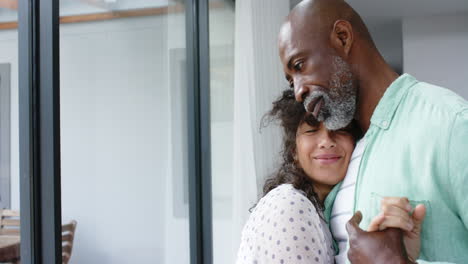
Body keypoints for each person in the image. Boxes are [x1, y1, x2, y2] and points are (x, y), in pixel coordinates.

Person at [277, 0, 468, 263]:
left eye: (299, 66)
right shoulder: (346, 156)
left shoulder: (451, 124)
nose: (298, 91)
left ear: (342, 38)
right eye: (291, 80)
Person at [235, 90, 423, 264]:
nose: (326, 142)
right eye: (311, 130)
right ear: (294, 151)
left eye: (341, 130)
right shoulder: (290, 206)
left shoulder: (320, 212)